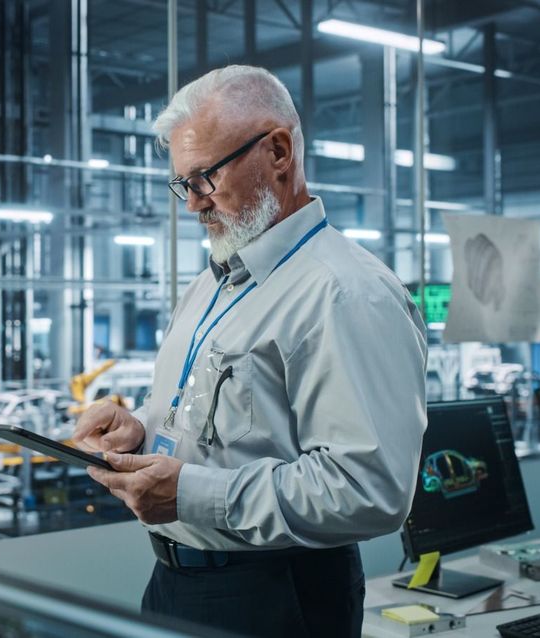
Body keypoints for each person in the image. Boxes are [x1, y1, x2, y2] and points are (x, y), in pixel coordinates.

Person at [72, 65, 427, 638]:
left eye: (205, 177)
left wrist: (189, 492)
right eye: (181, 183)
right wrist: (138, 428)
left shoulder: (344, 292)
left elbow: (371, 490)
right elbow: (222, 418)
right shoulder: (215, 279)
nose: (192, 204)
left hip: (277, 596)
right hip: (176, 584)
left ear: (279, 152)